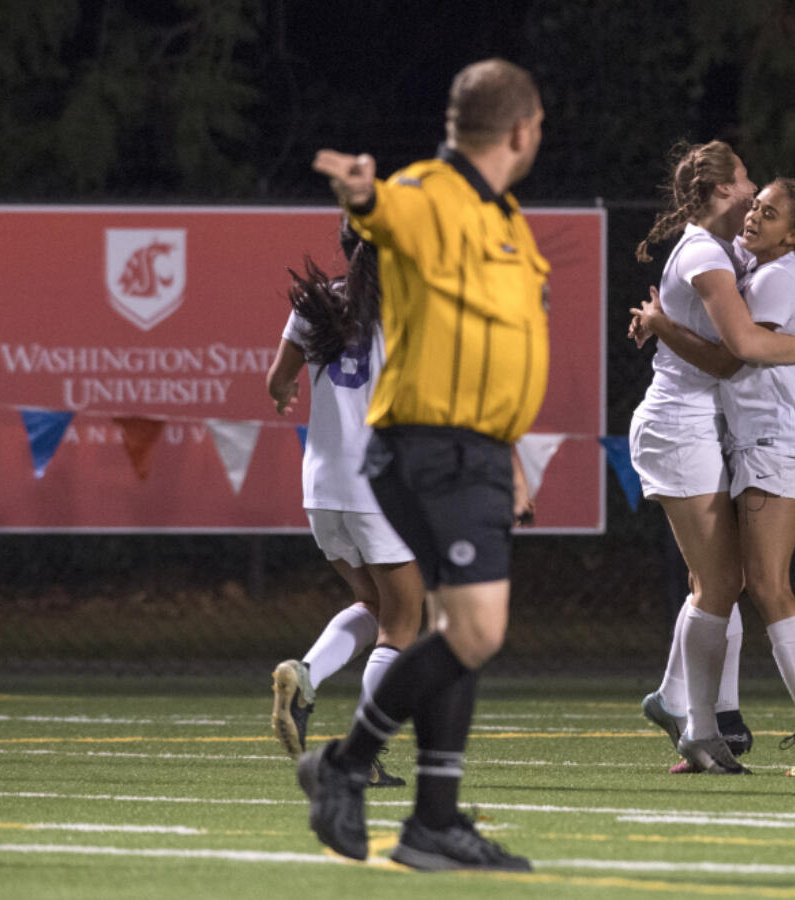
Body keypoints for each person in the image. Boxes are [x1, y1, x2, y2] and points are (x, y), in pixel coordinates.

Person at [295, 58, 546, 872]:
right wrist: (362, 195)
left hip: (474, 447)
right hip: (432, 445)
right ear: (520, 129)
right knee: (476, 629)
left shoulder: (501, 215)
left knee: (457, 634)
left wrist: (509, 454)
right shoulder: (431, 192)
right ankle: (342, 764)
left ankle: (432, 822)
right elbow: (386, 215)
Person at [632, 173, 795, 776]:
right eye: (754, 204)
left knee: (763, 584)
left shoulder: (773, 276)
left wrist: (662, 325)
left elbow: (727, 357)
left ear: (792, 235)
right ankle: (716, 723)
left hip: (780, 445)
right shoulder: (753, 260)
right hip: (762, 444)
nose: (753, 217)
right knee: (723, 582)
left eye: (768, 213)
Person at [266, 222, 425, 789]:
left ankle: (305, 674)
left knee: (374, 603)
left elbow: (277, 380)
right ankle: (359, 754)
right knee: (404, 620)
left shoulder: (317, 303)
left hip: (321, 486)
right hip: (377, 485)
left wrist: (287, 392)